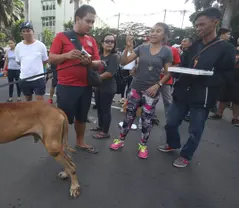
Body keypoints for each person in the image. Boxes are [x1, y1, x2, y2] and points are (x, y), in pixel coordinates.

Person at [158, 8, 236, 167]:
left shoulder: (226, 48)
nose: (198, 28)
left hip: (203, 95)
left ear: (215, 22)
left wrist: (210, 77)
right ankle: (173, 143)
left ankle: (186, 154)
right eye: (196, 25)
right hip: (182, 92)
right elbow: (184, 65)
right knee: (171, 123)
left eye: (202, 24)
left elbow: (228, 74)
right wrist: (174, 71)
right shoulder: (194, 45)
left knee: (195, 130)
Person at [109, 22, 173, 159]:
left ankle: (143, 145)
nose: (153, 33)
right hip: (135, 88)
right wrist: (128, 47)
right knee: (129, 116)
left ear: (164, 35)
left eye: (158, 31)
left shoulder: (166, 51)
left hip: (152, 92)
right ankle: (120, 140)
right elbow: (123, 62)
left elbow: (169, 73)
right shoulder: (141, 48)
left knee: (146, 120)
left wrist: (158, 85)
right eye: (152, 30)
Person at [49, 5, 103, 154]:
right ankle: (61, 145)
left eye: (93, 22)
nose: (91, 25)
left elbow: (98, 62)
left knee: (82, 117)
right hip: (67, 86)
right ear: (78, 19)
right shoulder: (61, 36)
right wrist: (66, 55)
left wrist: (89, 62)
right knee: (64, 119)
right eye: (88, 21)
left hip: (86, 86)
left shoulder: (91, 40)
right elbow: (51, 58)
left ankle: (80, 141)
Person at [90, 33, 120, 139]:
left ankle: (105, 132)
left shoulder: (115, 56)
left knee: (105, 110)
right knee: (99, 108)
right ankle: (100, 126)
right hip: (98, 87)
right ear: (102, 43)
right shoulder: (99, 55)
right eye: (107, 41)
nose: (110, 43)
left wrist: (94, 79)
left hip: (108, 88)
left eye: (112, 42)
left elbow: (110, 73)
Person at [15, 21, 48, 101]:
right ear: (21, 34)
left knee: (40, 101)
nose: (26, 33)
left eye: (28, 30)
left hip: (38, 78)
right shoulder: (18, 46)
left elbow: (45, 60)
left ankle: (40, 114)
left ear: (33, 32)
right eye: (24, 31)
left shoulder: (41, 45)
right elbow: (19, 61)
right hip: (24, 79)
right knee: (28, 101)